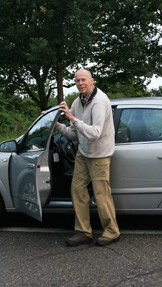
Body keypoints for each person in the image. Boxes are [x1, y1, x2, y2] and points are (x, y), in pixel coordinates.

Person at [57, 68, 120, 246]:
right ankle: (84, 231)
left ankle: (112, 231)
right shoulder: (78, 101)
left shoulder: (99, 101)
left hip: (100, 154)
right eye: (77, 80)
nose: (80, 83)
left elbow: (95, 133)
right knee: (77, 189)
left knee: (101, 194)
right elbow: (75, 134)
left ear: (92, 81)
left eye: (83, 80)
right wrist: (57, 125)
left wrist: (72, 117)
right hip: (83, 153)